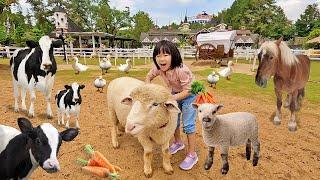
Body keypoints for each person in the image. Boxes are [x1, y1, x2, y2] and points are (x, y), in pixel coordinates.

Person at [146, 40, 197, 170]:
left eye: (165, 55)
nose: (161, 59)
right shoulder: (159, 68)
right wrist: (148, 88)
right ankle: (178, 142)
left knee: (188, 124)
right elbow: (149, 76)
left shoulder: (181, 70)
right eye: (158, 56)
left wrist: (171, 98)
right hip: (175, 93)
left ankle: (192, 154)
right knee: (173, 120)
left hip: (189, 95)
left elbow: (188, 90)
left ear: (173, 55)